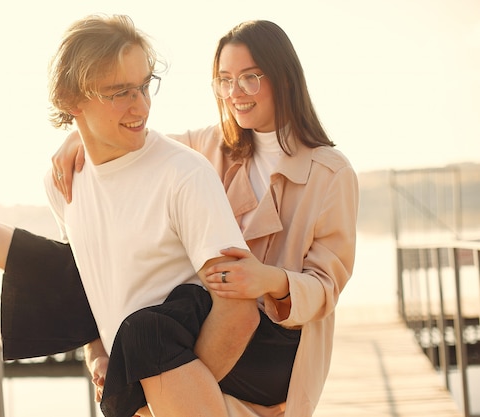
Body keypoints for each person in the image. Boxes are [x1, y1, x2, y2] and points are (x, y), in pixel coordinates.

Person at [0, 14, 301, 417]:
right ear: (70, 100)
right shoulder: (64, 182)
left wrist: (159, 395)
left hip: (243, 358)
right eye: (120, 93)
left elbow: (239, 313)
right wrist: (97, 351)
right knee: (63, 268)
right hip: (156, 361)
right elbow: (92, 285)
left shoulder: (183, 174)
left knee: (143, 332)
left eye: (144, 87)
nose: (139, 107)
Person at [52, 19, 360, 417]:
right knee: (144, 330)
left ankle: (137, 406)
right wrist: (78, 131)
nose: (236, 94)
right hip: (213, 322)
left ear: (284, 79)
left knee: (148, 337)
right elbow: (129, 137)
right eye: (225, 80)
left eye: (250, 78)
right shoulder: (208, 144)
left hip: (275, 347)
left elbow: (326, 287)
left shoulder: (330, 173)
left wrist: (269, 279)